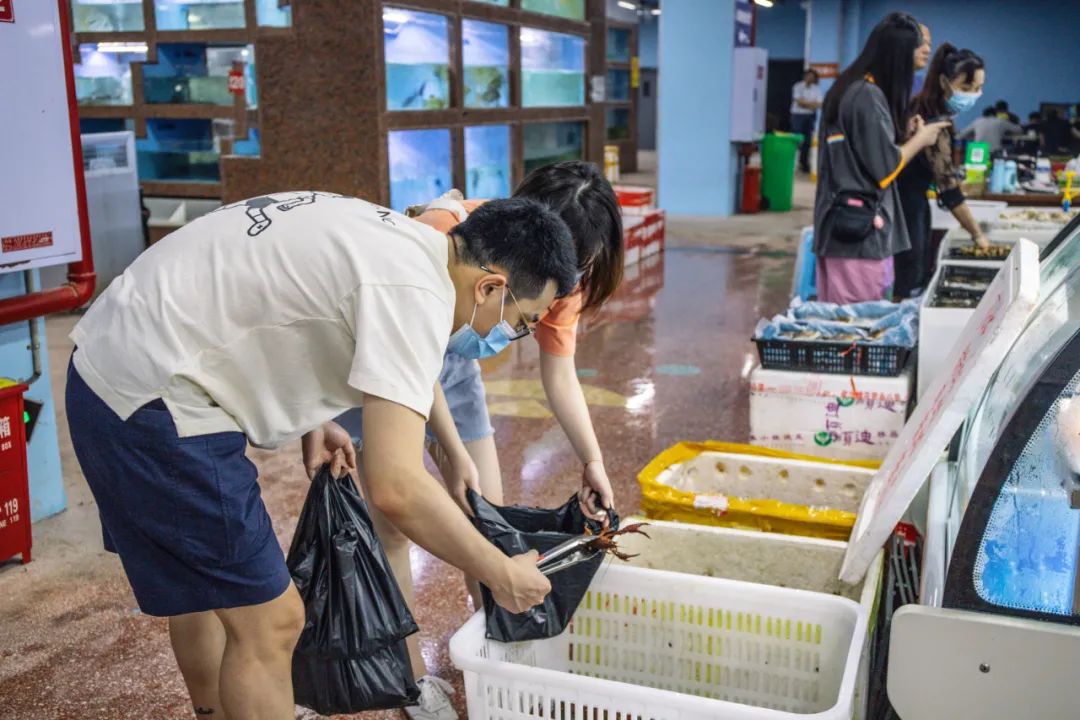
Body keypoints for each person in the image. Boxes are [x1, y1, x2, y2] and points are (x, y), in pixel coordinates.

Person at [64, 192, 580, 720]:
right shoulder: (417, 294)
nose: (506, 334)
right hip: (153, 398)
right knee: (272, 623)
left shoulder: (396, 234)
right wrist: (498, 571)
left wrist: (315, 416)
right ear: (490, 285)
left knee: (206, 592)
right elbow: (396, 486)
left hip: (113, 357)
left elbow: (269, 292)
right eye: (520, 320)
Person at [348, 162, 624, 720]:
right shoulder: (442, 235)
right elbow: (410, 359)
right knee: (396, 522)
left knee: (487, 517)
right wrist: (447, 450)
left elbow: (560, 371)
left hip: (451, 371)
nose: (566, 281)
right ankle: (412, 679)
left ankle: (501, 651)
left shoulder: (560, 272)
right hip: (380, 361)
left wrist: (592, 459)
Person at [813, 13, 948, 305]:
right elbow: (884, 169)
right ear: (898, 52)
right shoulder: (866, 95)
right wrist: (920, 141)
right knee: (855, 327)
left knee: (848, 324)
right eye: (920, 44)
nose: (927, 50)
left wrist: (900, 137)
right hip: (857, 235)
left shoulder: (857, 89)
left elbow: (864, 153)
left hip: (850, 231)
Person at [896, 44, 990, 299]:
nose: (974, 94)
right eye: (966, 88)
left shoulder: (927, 109)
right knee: (908, 284)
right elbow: (948, 189)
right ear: (944, 82)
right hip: (905, 210)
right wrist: (977, 234)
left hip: (911, 206)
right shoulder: (930, 119)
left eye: (979, 88)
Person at [791, 69, 823, 173]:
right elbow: (799, 102)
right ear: (805, 76)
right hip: (797, 115)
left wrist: (806, 103)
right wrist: (811, 104)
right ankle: (793, 164)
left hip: (810, 116)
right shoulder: (798, 86)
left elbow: (819, 104)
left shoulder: (817, 89)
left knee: (808, 142)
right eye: (808, 76)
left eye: (812, 76)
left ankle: (804, 165)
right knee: (797, 140)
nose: (809, 78)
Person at [958, 106, 1023, 152]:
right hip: (994, 151)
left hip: (977, 151)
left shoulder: (978, 121)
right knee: (1012, 148)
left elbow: (961, 135)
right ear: (995, 114)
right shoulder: (1000, 121)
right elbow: (1019, 130)